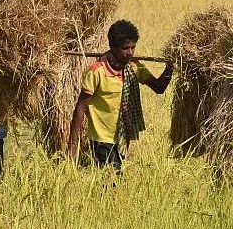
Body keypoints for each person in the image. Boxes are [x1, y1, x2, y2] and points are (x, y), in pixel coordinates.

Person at [67, 19, 174, 173]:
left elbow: (159, 88)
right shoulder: (98, 71)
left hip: (122, 138)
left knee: (113, 182)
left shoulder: (133, 67)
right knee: (111, 182)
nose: (130, 53)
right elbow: (80, 108)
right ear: (113, 47)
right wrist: (72, 143)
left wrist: (171, 67)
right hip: (101, 139)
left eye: (133, 47)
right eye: (125, 48)